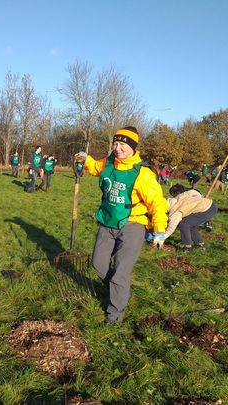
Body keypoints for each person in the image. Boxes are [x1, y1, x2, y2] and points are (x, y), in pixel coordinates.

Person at [75, 126, 168, 324]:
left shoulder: (143, 174)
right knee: (98, 263)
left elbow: (157, 202)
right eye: (115, 144)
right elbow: (96, 167)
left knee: (120, 271)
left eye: (122, 144)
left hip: (133, 224)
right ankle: (119, 290)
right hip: (107, 220)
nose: (117, 148)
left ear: (133, 147)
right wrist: (86, 160)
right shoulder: (110, 162)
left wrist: (160, 230)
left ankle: (115, 315)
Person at [163, 184, 217, 253]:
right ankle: (200, 245)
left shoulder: (175, 211)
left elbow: (172, 226)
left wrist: (164, 236)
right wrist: (199, 198)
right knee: (191, 225)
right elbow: (192, 191)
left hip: (207, 209)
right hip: (210, 205)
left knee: (184, 225)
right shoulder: (179, 196)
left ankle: (187, 248)